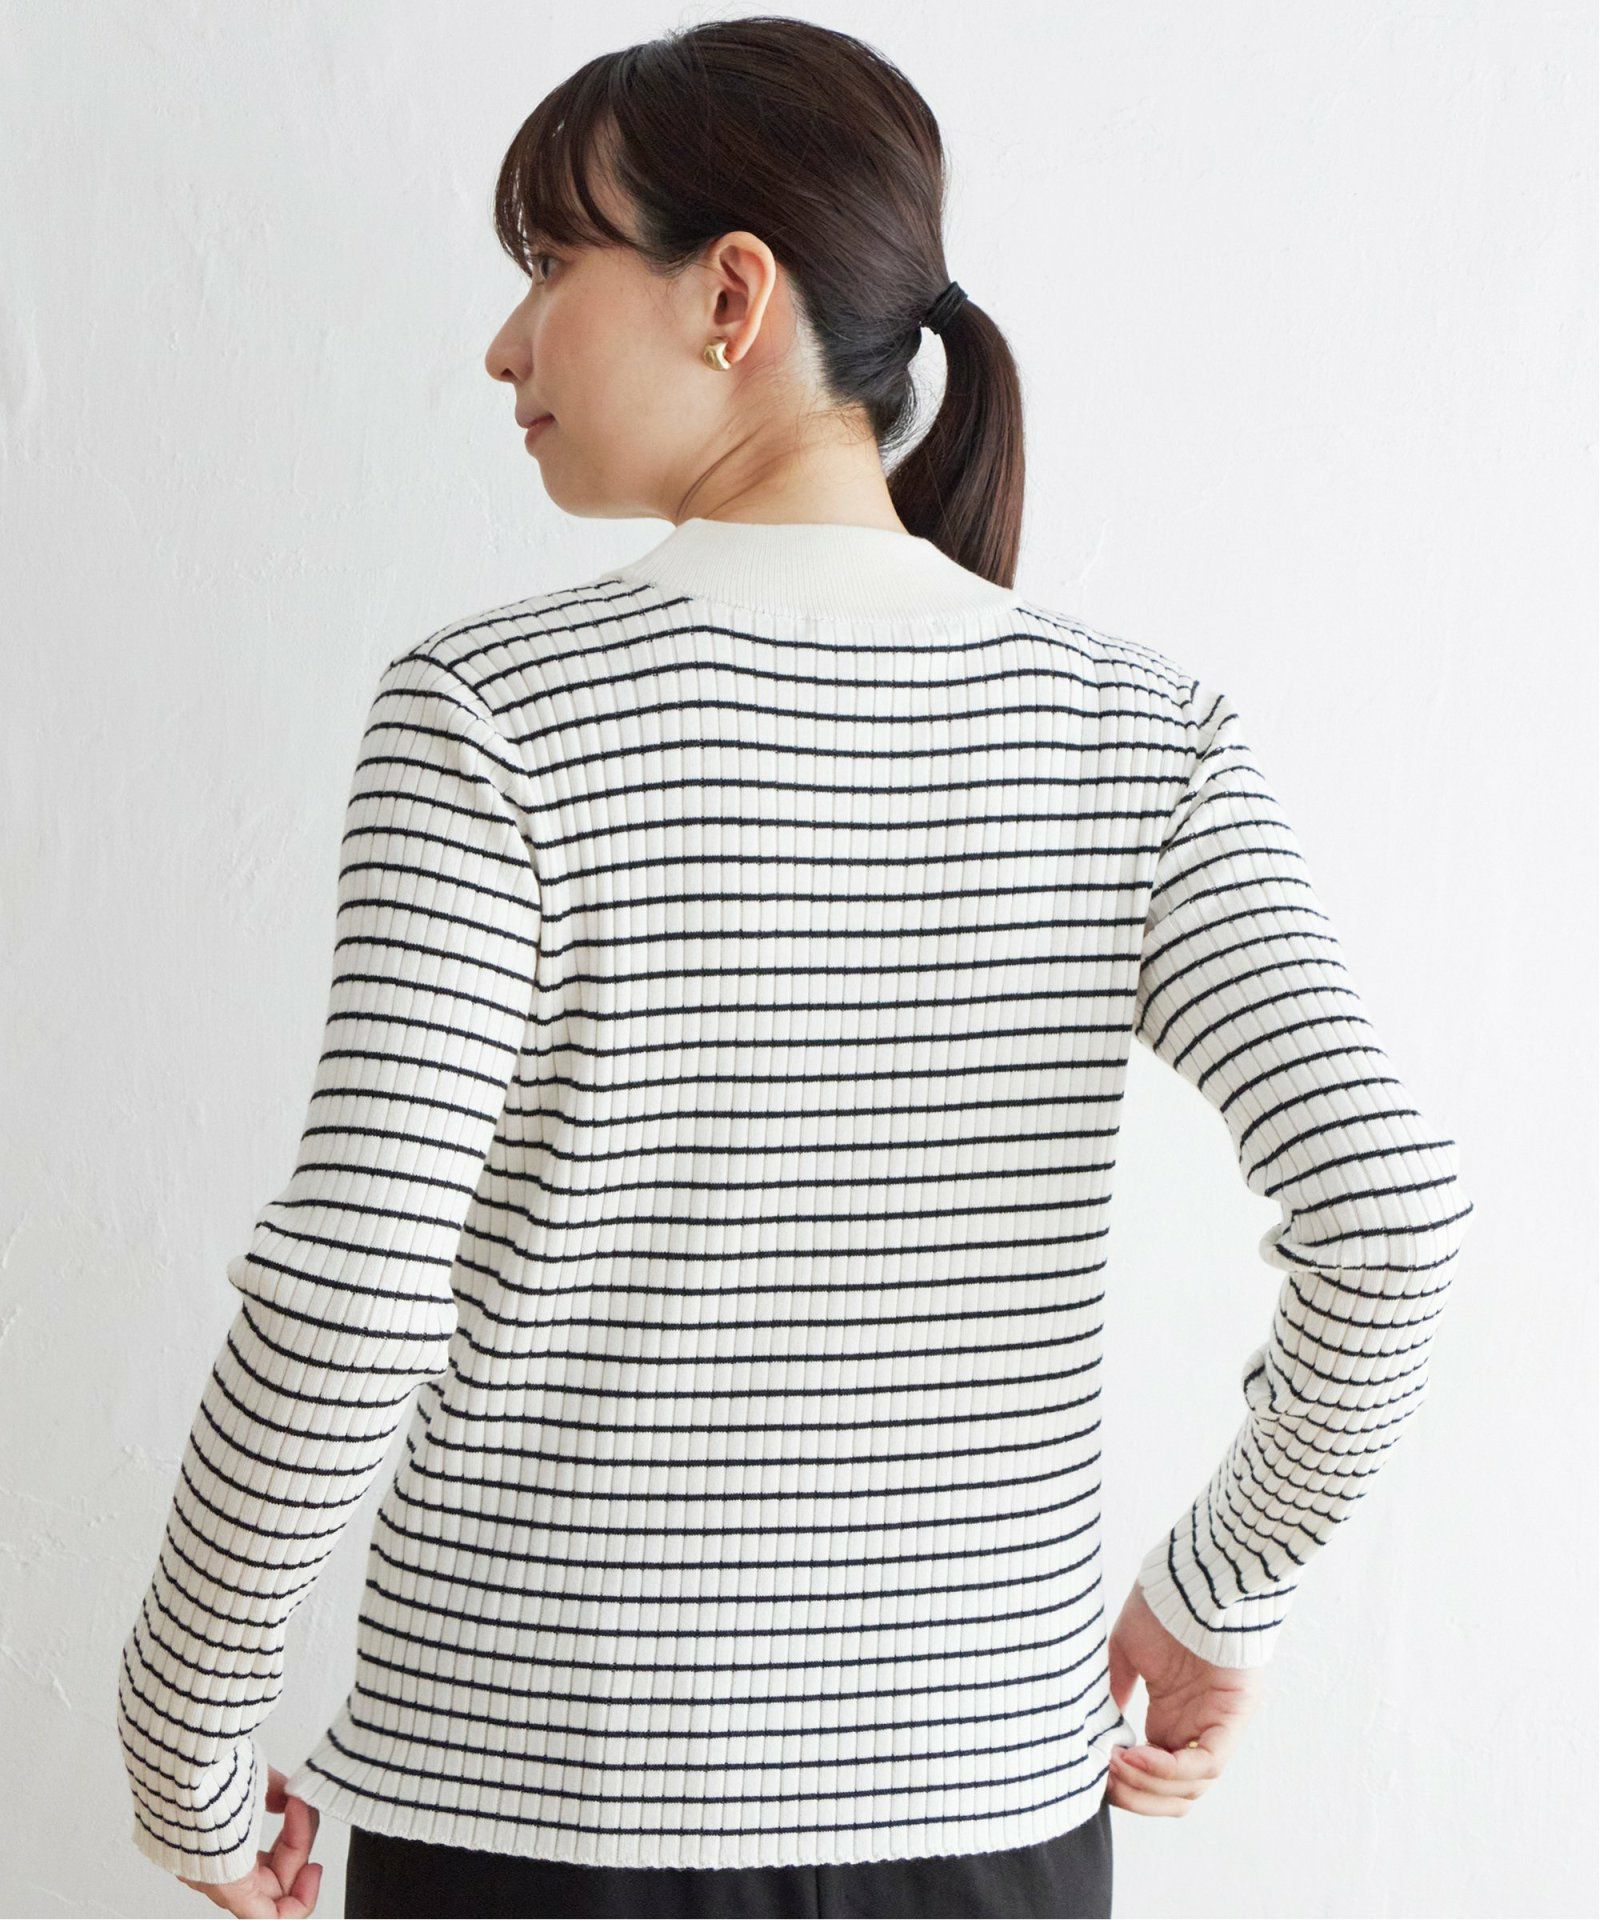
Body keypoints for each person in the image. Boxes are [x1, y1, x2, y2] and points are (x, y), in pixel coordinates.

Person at [113, 18, 1473, 1920]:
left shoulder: (497, 715)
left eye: (549, 264)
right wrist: (1214, 1592)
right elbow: (1391, 1224)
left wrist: (180, 1732)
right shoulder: (1135, 735)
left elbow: (356, 1286)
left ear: (731, 294)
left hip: (544, 1818)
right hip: (990, 1824)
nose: (505, 346)